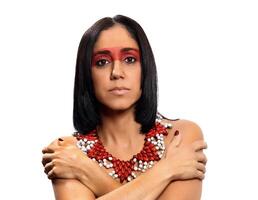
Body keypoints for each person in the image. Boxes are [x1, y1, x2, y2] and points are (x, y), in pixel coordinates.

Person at [41, 15, 208, 200]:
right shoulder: (68, 152)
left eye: (129, 59)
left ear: (145, 67)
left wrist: (89, 172)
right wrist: (166, 170)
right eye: (102, 62)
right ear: (87, 74)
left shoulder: (179, 136)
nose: (117, 73)